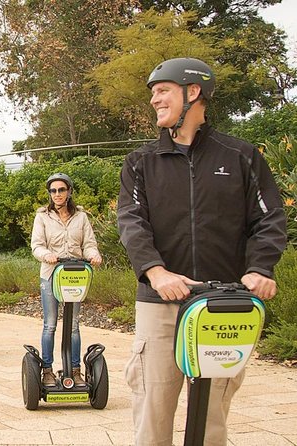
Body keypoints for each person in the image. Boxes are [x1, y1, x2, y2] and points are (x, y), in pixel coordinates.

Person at [117, 57, 287, 446]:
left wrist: (261, 268)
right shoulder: (141, 163)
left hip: (223, 305)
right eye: (153, 93)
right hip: (160, 305)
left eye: (163, 91)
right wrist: (156, 273)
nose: (154, 100)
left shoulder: (241, 157)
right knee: (152, 416)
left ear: (192, 92)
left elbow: (269, 218)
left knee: (212, 421)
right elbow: (131, 223)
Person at [31, 173, 102, 387]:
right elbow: (36, 245)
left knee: (73, 325)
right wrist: (46, 255)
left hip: (74, 274)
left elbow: (88, 243)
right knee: (50, 324)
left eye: (61, 190)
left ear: (69, 191)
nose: (57, 194)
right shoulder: (42, 216)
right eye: (53, 191)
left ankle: (76, 370)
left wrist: (93, 254)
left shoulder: (80, 217)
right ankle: (48, 371)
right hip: (51, 273)